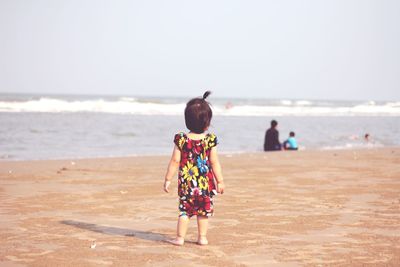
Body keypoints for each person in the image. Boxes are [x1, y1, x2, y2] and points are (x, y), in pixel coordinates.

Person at [163, 91, 225, 246]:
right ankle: (202, 237)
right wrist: (221, 181)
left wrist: (167, 179)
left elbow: (175, 160)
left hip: (186, 186)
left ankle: (179, 238)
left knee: (184, 212)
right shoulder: (210, 140)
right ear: (207, 123)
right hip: (205, 186)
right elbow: (214, 162)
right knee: (203, 213)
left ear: (187, 121)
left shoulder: (182, 139)